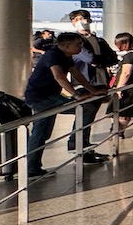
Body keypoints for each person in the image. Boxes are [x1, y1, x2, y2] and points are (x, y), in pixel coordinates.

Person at [22, 32, 96, 178]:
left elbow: (77, 74)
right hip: (41, 98)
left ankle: (33, 167)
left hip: (49, 96)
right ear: (65, 45)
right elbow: (59, 77)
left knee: (42, 132)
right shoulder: (53, 55)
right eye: (78, 44)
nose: (80, 47)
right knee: (41, 132)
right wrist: (76, 95)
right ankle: (32, 168)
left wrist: (92, 90)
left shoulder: (65, 56)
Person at [65, 10, 115, 164]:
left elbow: (112, 57)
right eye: (78, 19)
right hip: (83, 82)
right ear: (73, 22)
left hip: (99, 82)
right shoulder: (74, 41)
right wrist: (99, 60)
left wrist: (98, 61)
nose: (82, 21)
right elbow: (87, 57)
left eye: (85, 18)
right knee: (84, 113)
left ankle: (84, 147)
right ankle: (77, 145)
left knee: (89, 116)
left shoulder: (98, 40)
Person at [110, 32, 133, 137]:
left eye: (119, 44)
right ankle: (118, 132)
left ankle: (117, 133)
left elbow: (126, 73)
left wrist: (119, 89)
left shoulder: (130, 56)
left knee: (122, 112)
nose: (117, 46)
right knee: (125, 112)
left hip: (128, 89)